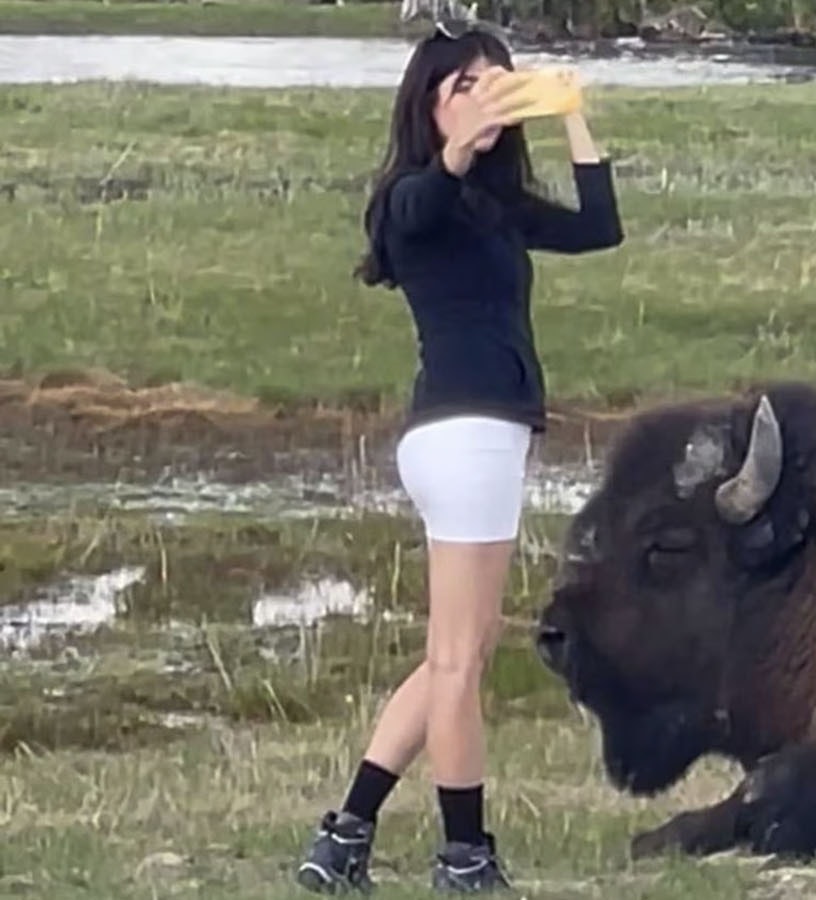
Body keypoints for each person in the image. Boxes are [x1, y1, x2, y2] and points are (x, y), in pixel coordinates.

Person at [293, 24, 623, 896]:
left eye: (495, 81)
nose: (484, 96)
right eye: (463, 85)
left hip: (480, 436)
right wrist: (459, 147)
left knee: (456, 654)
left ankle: (345, 834)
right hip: (464, 436)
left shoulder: (492, 204)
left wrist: (570, 114)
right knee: (458, 663)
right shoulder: (412, 196)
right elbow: (419, 207)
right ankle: (464, 856)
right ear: (429, 104)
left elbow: (600, 228)